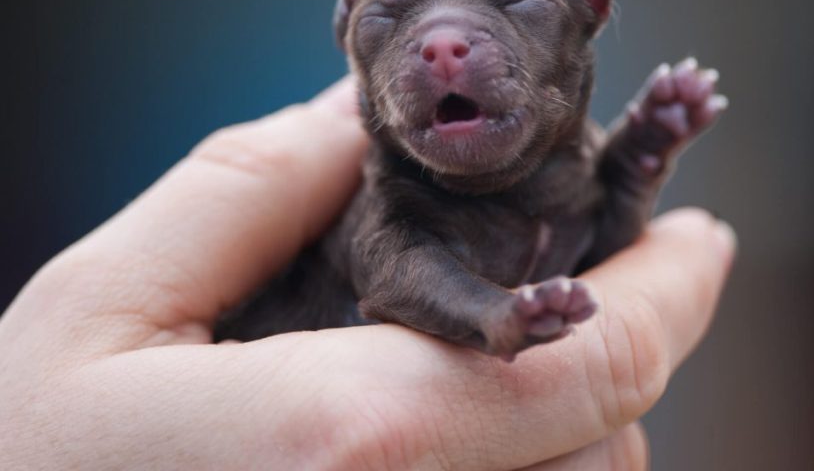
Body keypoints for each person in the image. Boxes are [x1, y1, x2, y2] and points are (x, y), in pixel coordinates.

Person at [0, 77, 735, 470]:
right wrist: (497, 316)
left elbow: (594, 241)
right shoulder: (385, 190)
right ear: (355, 37)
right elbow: (397, 270)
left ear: (589, 5)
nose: (445, 46)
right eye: (393, 8)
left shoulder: (571, 170)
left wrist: (635, 165)